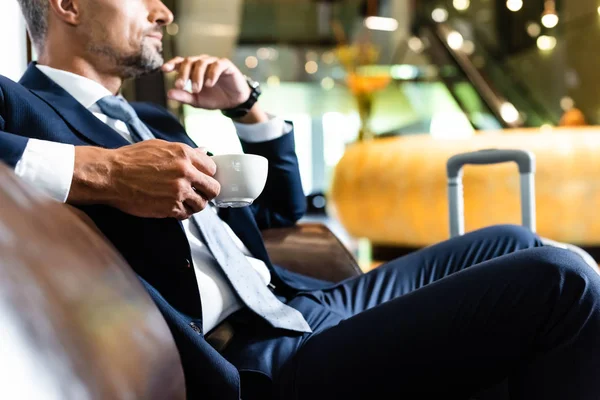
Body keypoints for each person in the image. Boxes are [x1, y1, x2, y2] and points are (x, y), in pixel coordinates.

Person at [3, 1, 600, 399]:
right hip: (256, 358)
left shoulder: (154, 119)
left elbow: (282, 214)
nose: (163, 11)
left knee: (513, 240)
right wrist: (102, 170)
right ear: (70, 5)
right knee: (563, 276)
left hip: (294, 301)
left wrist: (247, 108)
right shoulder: (19, 107)